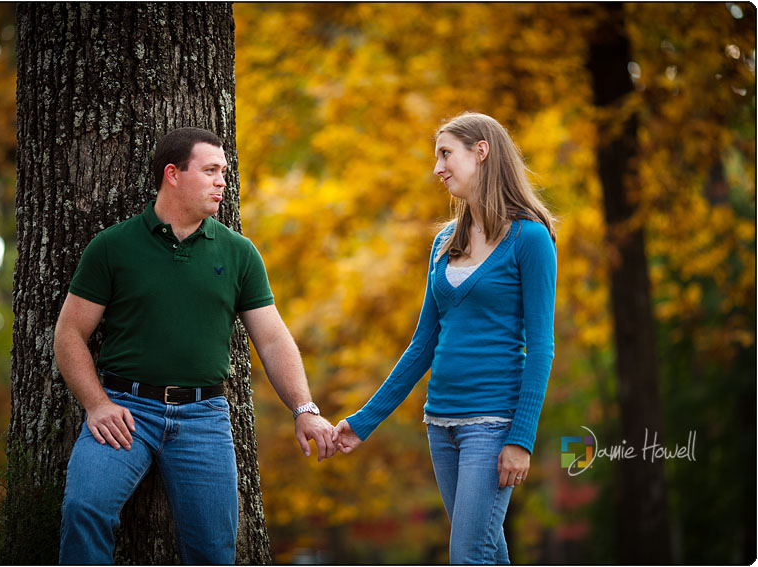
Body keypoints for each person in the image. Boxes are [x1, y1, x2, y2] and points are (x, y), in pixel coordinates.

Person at [54, 127, 336, 564]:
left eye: (224, 171)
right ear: (173, 174)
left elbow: (273, 337)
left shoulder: (239, 253)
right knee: (82, 509)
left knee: (214, 551)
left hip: (203, 418)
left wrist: (304, 408)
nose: (223, 181)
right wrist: (95, 404)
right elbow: (69, 334)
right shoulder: (113, 247)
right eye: (210, 171)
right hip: (126, 411)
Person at [333, 112, 557, 564]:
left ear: (481, 151)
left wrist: (521, 438)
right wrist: (364, 421)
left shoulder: (530, 240)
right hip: (441, 425)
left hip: (492, 425)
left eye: (444, 154)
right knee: (486, 552)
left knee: (468, 556)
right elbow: (422, 346)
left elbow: (542, 348)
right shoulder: (442, 244)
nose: (437, 168)